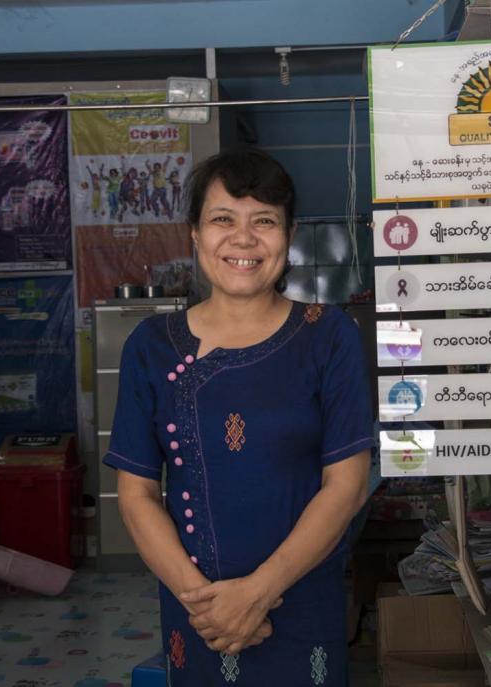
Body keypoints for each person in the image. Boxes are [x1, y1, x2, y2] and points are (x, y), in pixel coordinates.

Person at [103, 148, 374, 686]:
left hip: (302, 603)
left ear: (288, 234)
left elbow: (347, 485)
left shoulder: (329, 334)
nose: (243, 239)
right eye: (223, 219)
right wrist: (208, 606)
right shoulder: (151, 346)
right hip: (196, 613)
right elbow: (135, 495)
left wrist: (256, 593)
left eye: (264, 221)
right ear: (196, 235)